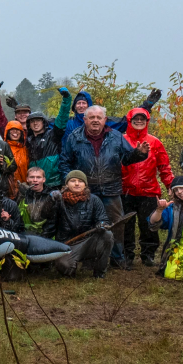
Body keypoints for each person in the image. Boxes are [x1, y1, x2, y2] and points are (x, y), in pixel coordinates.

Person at [58, 105, 149, 265]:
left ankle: (117, 258)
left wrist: (139, 153)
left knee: (115, 224)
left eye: (99, 117)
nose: (95, 120)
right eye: (91, 117)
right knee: (86, 225)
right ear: (85, 120)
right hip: (85, 191)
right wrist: (70, 182)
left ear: (105, 120)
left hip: (111, 189)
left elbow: (127, 158)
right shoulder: (74, 137)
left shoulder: (116, 137)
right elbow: (65, 162)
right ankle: (88, 259)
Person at [121, 108, 174, 267]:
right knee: (126, 225)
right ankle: (127, 254)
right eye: (135, 119)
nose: (139, 122)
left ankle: (148, 254)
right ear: (129, 121)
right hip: (125, 190)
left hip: (148, 190)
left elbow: (164, 166)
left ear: (147, 121)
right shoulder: (120, 139)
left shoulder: (155, 142)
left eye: (142, 119)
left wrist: (170, 184)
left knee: (148, 225)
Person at [47, 170, 112, 278]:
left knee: (107, 235)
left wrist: (102, 224)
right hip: (67, 244)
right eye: (73, 181)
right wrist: (50, 201)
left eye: (80, 181)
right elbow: (46, 215)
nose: (77, 184)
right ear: (66, 184)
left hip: (88, 242)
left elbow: (103, 219)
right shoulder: (59, 200)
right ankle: (70, 267)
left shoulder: (94, 200)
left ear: (85, 184)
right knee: (64, 266)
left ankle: (99, 273)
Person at [63, 88, 161, 141]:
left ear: (89, 106)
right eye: (78, 103)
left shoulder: (104, 123)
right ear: (74, 107)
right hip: (73, 174)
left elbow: (127, 121)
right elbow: (48, 125)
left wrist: (146, 106)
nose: (81, 106)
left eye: (84, 103)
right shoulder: (67, 123)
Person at [24, 88, 72, 188]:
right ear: (29, 125)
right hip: (35, 184)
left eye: (38, 120)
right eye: (32, 121)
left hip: (53, 183)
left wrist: (66, 99)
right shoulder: (28, 140)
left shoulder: (53, 135)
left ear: (44, 122)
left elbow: (62, 118)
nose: (35, 123)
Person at [19, 168, 55, 237]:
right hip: (26, 234)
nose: (35, 180)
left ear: (44, 179)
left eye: (38, 177)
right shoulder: (23, 195)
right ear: (27, 179)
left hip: (47, 236)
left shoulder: (51, 195)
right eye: (32, 177)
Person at [2, 121, 29, 198]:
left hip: (25, 189)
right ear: (7, 132)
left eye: (17, 129)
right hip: (8, 190)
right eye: (12, 129)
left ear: (21, 133)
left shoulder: (25, 150)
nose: (15, 132)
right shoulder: (3, 148)